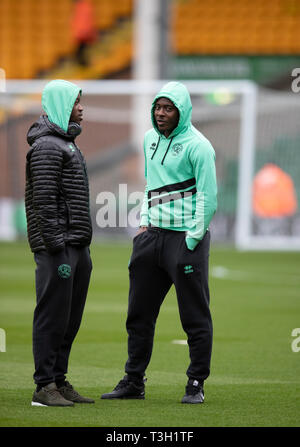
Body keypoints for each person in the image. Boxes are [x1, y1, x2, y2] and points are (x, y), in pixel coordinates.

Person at [101, 81, 217, 404]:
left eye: (168, 108)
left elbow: (208, 197)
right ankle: (133, 381)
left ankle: (196, 383)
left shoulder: (199, 146)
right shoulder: (150, 139)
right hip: (151, 238)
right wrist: (143, 223)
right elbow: (152, 186)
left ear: (182, 111)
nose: (161, 113)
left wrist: (192, 238)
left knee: (194, 316)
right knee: (138, 314)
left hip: (184, 240)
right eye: (158, 107)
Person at [25, 79, 94, 407]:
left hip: (76, 245)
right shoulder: (48, 146)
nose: (81, 106)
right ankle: (43, 386)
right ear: (61, 104)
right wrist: (56, 248)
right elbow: (44, 201)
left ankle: (59, 379)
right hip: (59, 249)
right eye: (76, 101)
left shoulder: (66, 142)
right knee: (52, 316)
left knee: (70, 318)